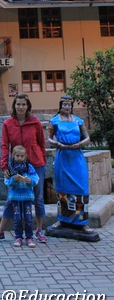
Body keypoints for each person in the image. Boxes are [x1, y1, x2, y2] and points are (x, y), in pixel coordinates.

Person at [0, 92, 47, 243]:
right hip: (16, 166)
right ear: (14, 106)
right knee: (11, 198)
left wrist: (42, 161)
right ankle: (0, 231)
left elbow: (42, 143)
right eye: (18, 104)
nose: (21, 107)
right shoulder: (8, 124)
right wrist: (5, 165)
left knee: (38, 198)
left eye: (23, 104)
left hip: (36, 164)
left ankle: (39, 230)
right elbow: (4, 146)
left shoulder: (35, 122)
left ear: (28, 106)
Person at [47, 95, 94, 232]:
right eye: (64, 104)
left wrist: (79, 144)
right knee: (63, 188)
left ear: (71, 106)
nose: (67, 107)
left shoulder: (78, 121)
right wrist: (58, 144)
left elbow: (87, 138)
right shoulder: (54, 121)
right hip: (63, 157)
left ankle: (82, 221)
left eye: (69, 105)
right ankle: (63, 219)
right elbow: (49, 139)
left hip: (76, 157)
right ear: (60, 106)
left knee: (81, 188)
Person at [4, 145, 39, 247]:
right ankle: (18, 237)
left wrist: (30, 181)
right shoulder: (10, 168)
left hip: (27, 197)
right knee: (17, 218)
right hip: (15, 198)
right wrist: (13, 180)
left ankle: (29, 237)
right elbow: (7, 182)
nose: (20, 158)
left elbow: (36, 179)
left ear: (25, 156)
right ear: (13, 156)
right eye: (17, 156)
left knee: (28, 218)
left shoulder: (29, 167)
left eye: (22, 156)